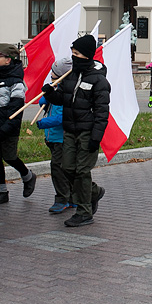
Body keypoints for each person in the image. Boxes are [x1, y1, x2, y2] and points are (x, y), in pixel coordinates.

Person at [42, 34, 110, 226]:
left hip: (87, 132)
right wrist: (51, 94)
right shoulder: (70, 77)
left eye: (77, 53)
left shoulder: (99, 81)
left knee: (81, 171)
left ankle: (84, 212)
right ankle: (94, 191)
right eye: (72, 53)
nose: (73, 57)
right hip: (70, 130)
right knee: (67, 168)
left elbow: (102, 112)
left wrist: (96, 137)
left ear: (87, 56)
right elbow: (63, 98)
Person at [0, 44, 36, 205]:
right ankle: (1, 191)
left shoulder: (16, 82)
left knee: (10, 157)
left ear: (8, 60)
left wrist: (6, 128)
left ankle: (28, 176)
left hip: (8, 127)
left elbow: (17, 109)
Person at [37, 59, 72, 214]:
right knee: (63, 169)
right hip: (51, 138)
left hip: (60, 138)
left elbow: (61, 118)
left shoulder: (65, 95)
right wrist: (46, 96)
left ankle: (62, 199)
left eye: (54, 77)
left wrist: (44, 123)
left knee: (57, 169)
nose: (51, 79)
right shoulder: (55, 90)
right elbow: (42, 103)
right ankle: (72, 198)